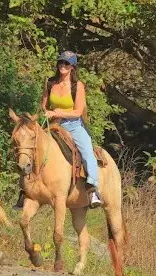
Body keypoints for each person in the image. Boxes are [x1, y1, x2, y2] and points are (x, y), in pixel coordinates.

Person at [14, 50, 102, 210]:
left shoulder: (78, 86)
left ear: (73, 67)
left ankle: (93, 190)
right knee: (30, 148)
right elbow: (43, 104)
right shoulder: (50, 83)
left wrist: (57, 112)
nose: (63, 66)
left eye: (67, 63)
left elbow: (77, 111)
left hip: (74, 126)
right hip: (52, 125)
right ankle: (24, 190)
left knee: (87, 152)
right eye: (61, 62)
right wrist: (46, 112)